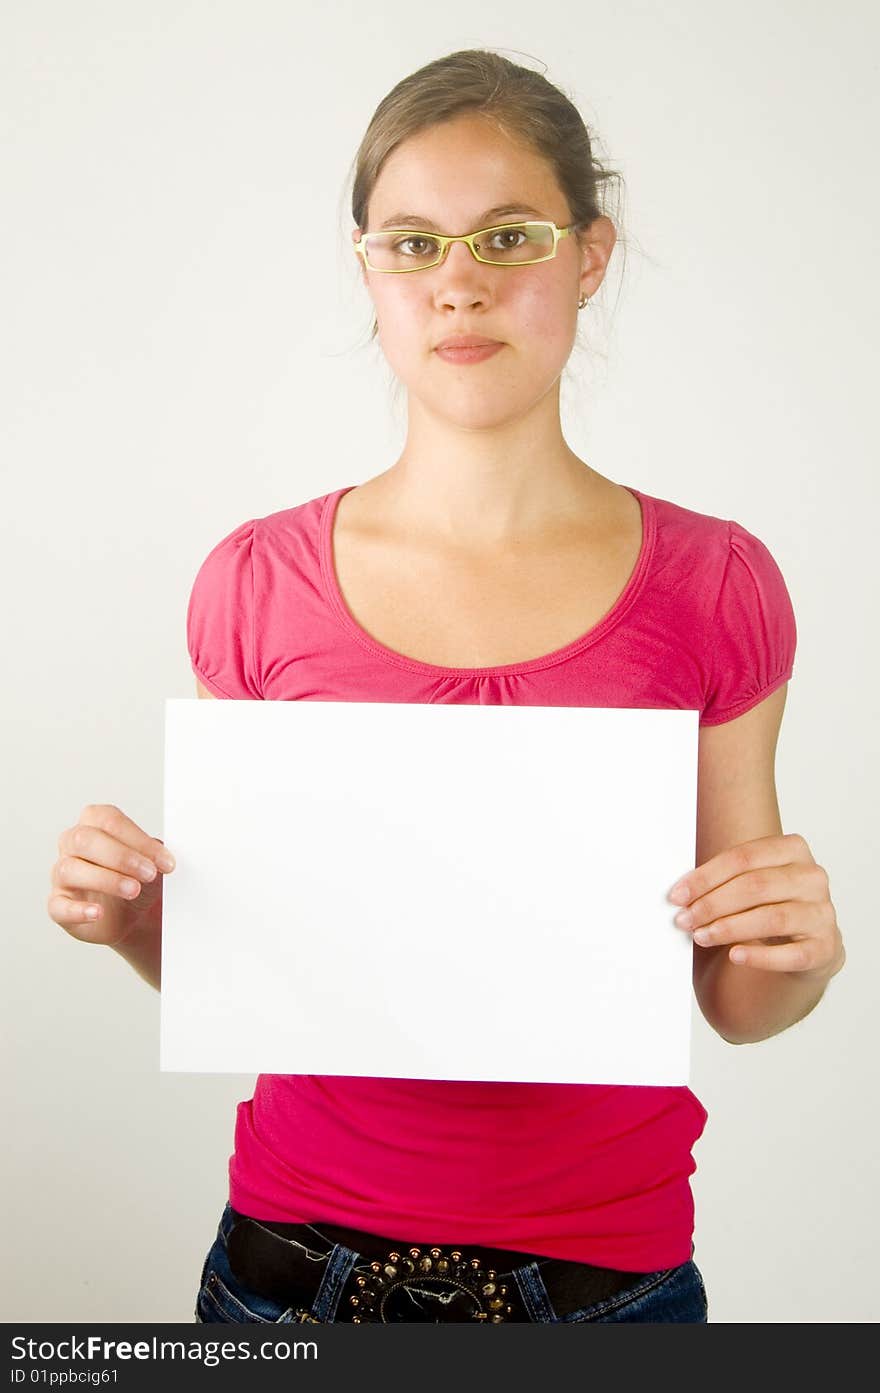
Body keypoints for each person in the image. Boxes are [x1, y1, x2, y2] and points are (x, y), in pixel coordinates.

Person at [47, 48, 846, 1325]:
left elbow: (738, 997)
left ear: (589, 256)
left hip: (605, 1284)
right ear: (366, 268)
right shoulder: (256, 581)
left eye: (506, 237)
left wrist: (797, 950)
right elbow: (268, 961)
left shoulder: (715, 581)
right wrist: (138, 916)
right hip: (286, 1273)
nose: (459, 284)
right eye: (411, 244)